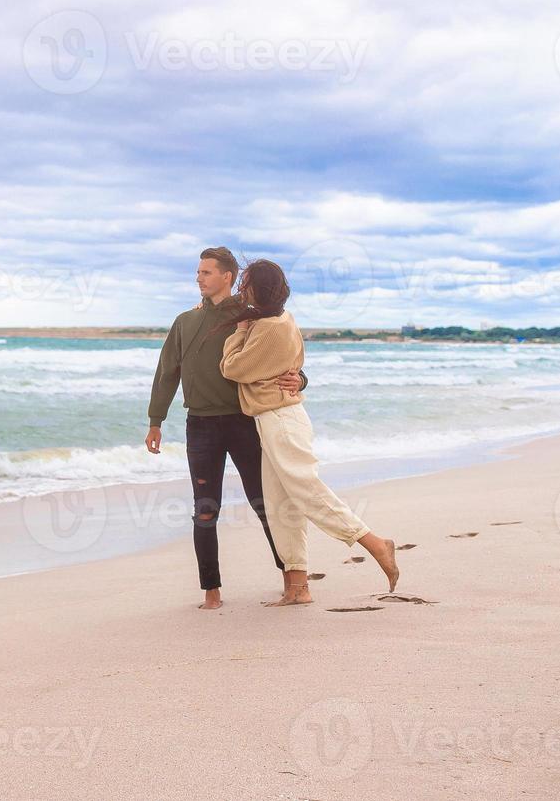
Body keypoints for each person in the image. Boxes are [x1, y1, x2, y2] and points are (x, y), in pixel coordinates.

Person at [219, 258, 400, 606]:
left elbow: (232, 368)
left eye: (247, 283)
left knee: (305, 491)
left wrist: (239, 331)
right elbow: (293, 366)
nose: (243, 289)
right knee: (281, 505)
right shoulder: (278, 319)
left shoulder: (270, 326)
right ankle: (298, 587)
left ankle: (375, 543)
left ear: (259, 288)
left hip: (282, 420)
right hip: (274, 418)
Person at [146, 247, 307, 610]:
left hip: (243, 421)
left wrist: (302, 379)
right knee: (205, 508)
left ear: (227, 277)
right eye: (198, 272)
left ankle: (291, 579)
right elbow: (167, 372)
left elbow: (283, 353)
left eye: (206, 272)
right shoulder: (184, 322)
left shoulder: (249, 316)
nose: (199, 277)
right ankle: (211, 592)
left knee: (265, 502)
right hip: (200, 426)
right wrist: (156, 420)